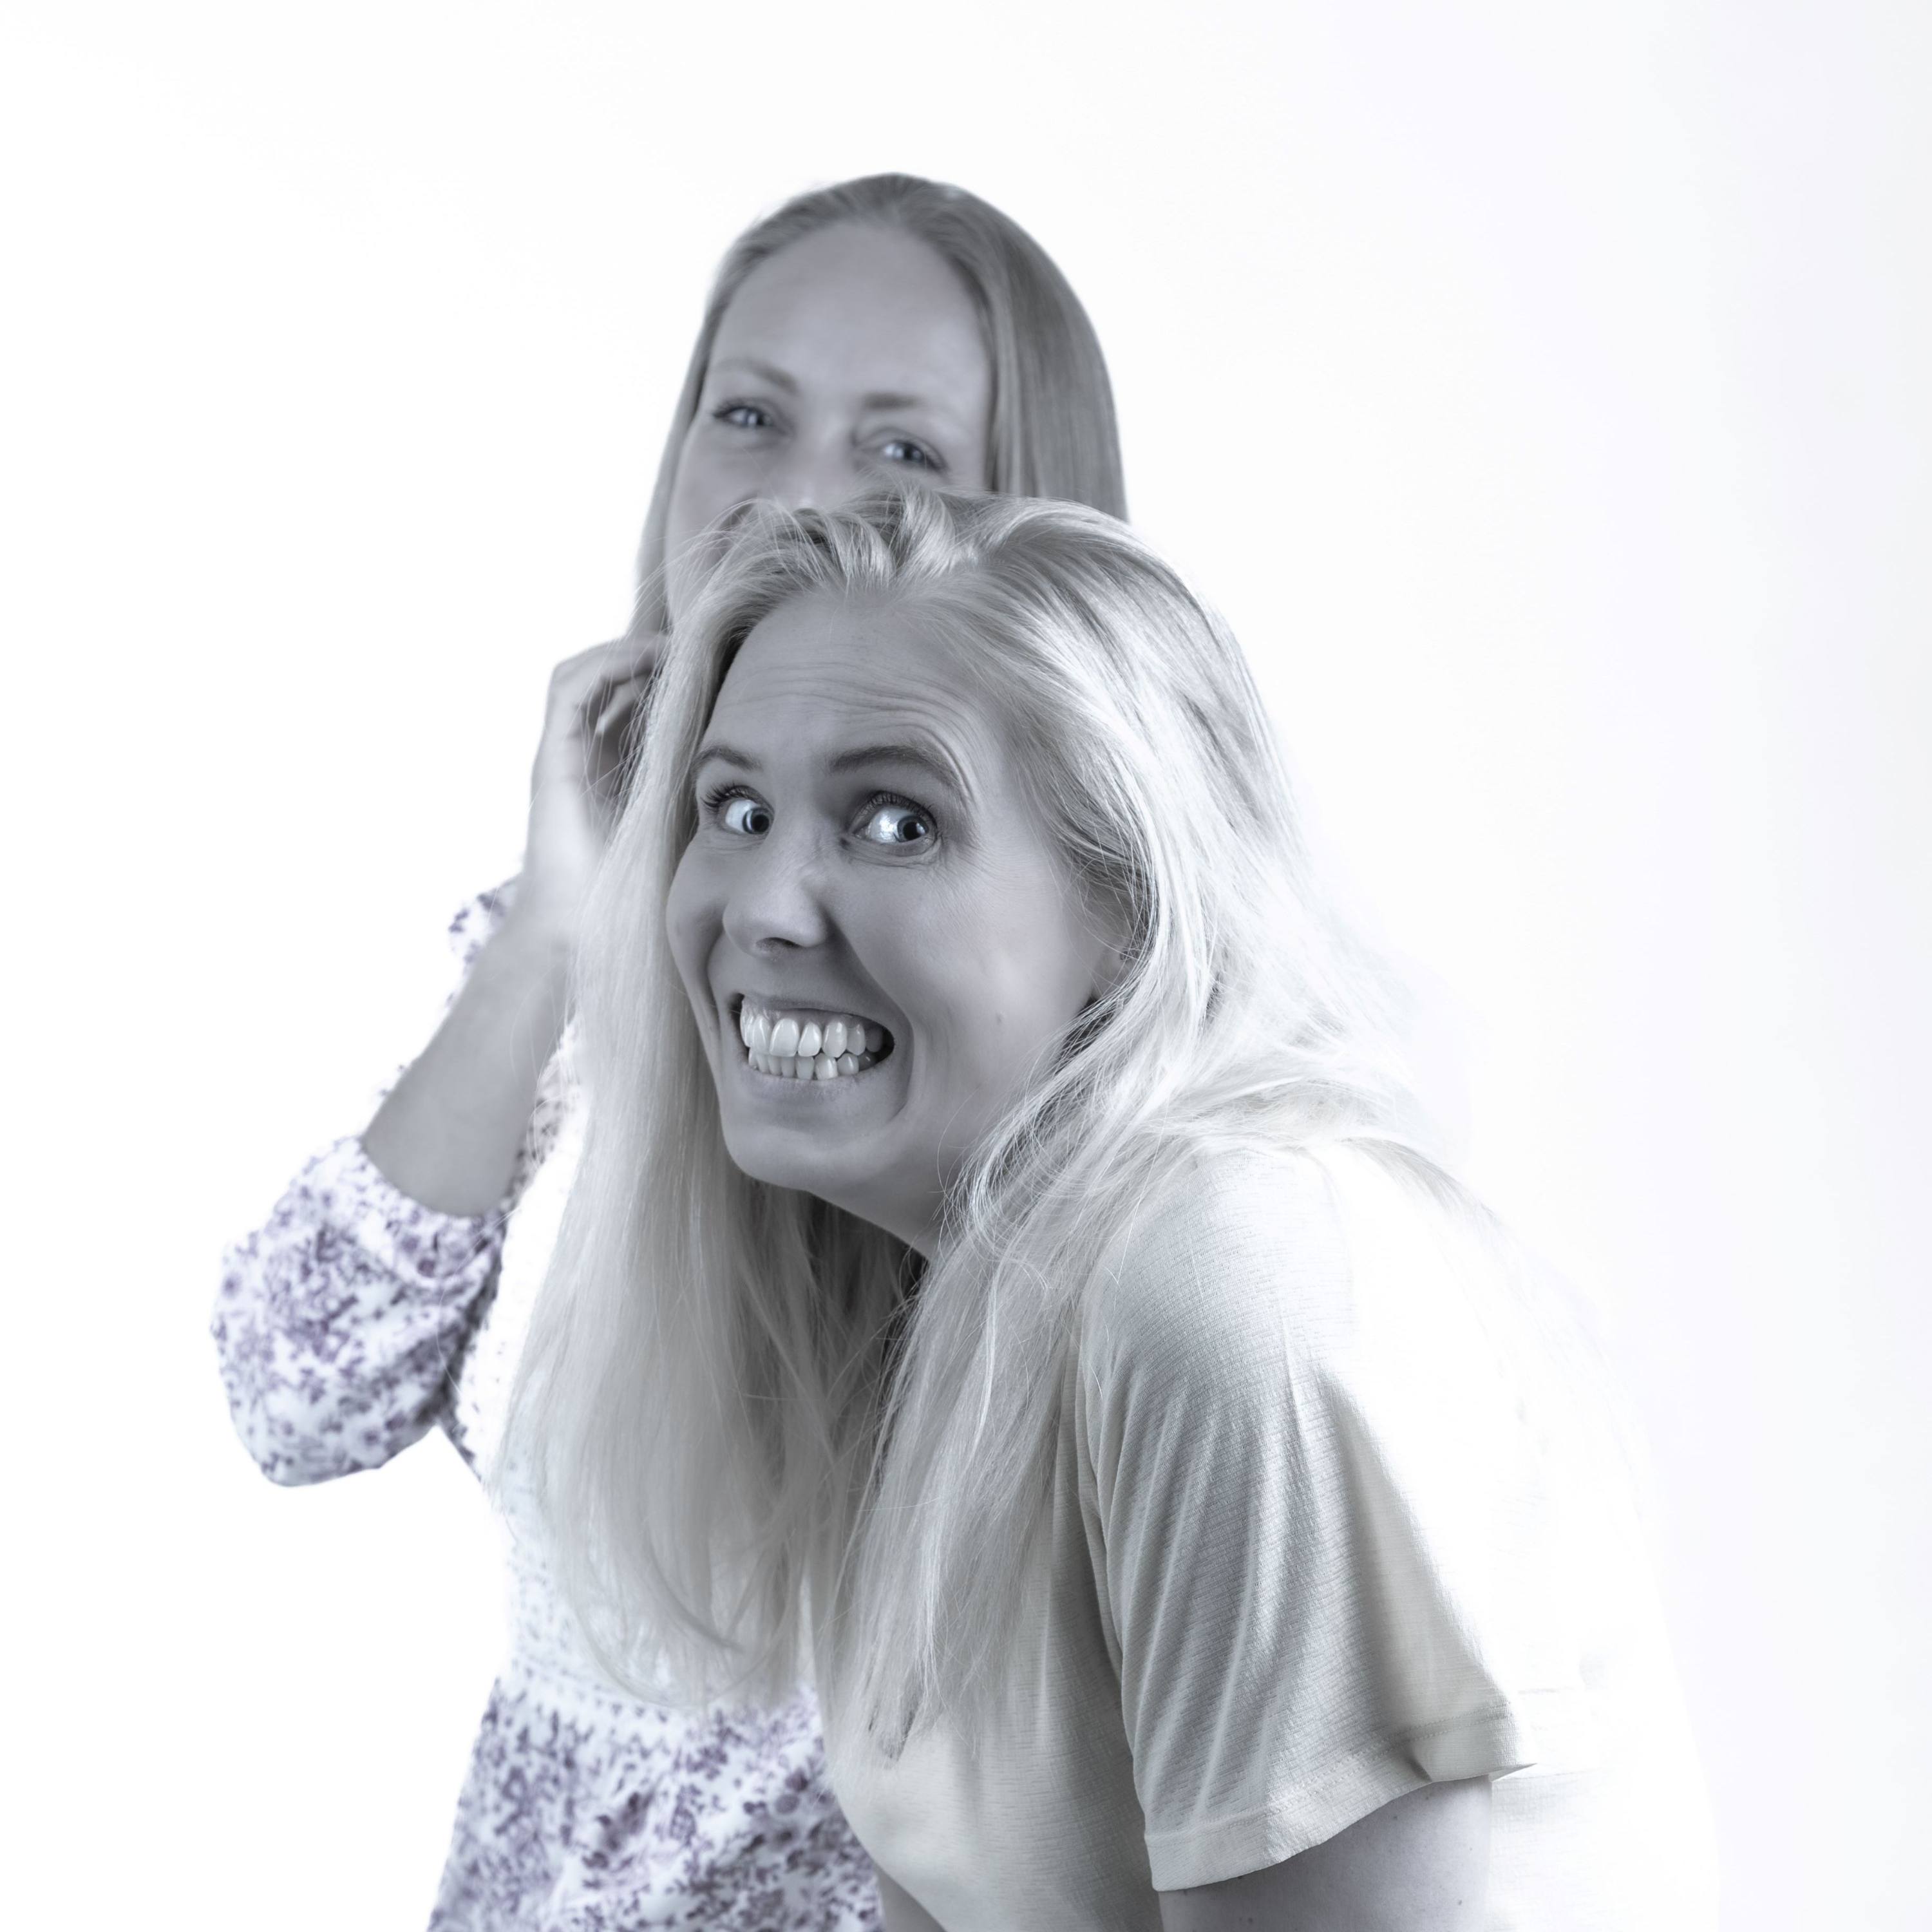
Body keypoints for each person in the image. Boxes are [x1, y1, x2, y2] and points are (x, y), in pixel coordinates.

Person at [515, 488, 1720, 1931]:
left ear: (1132, 905)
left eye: (896, 822)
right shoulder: (926, 1324)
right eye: (736, 810)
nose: (766, 905)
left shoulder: (1230, 1276)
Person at [211, 175, 1125, 1930]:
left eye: (902, 450)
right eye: (750, 414)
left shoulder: (1021, 976)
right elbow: (299, 1392)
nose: (797, 495)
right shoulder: (571, 942)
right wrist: (563, 922)